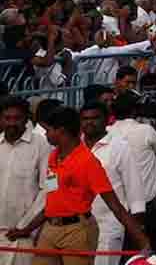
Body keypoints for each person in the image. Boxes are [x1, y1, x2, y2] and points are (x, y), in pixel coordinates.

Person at [5, 106, 146, 265]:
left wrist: (144, 242)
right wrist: (27, 230)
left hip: (78, 231)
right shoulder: (54, 156)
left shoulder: (89, 162)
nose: (45, 134)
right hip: (50, 229)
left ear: (61, 131)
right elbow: (51, 199)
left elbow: (116, 207)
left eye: (49, 130)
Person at [80, 100, 146, 265]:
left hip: (108, 227)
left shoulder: (120, 147)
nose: (89, 122)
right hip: (76, 227)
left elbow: (135, 190)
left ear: (106, 119)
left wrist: (135, 231)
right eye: (85, 118)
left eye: (95, 118)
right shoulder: (74, 147)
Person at [0, 97, 49, 265]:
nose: (11, 123)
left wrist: (26, 226)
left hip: (23, 235)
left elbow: (48, 189)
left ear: (26, 119)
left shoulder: (41, 145)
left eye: (17, 118)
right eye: (7, 118)